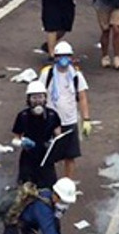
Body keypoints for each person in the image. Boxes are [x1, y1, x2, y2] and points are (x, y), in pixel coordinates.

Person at [38, 41, 91, 179]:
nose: (64, 59)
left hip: (70, 120)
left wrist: (86, 119)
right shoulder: (47, 74)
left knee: (70, 155)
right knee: (48, 154)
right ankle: (49, 181)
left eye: (67, 56)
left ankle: (68, 183)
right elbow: (40, 95)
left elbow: (83, 97)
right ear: (55, 57)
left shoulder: (76, 76)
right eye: (61, 56)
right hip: (50, 121)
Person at [11, 80, 62, 187]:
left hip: (46, 157)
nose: (37, 101)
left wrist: (53, 144)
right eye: (34, 97)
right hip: (28, 157)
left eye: (40, 97)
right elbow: (15, 138)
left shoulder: (52, 115)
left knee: (48, 187)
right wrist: (22, 143)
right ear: (28, 99)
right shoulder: (23, 116)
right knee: (26, 187)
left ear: (45, 98)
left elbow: (59, 137)